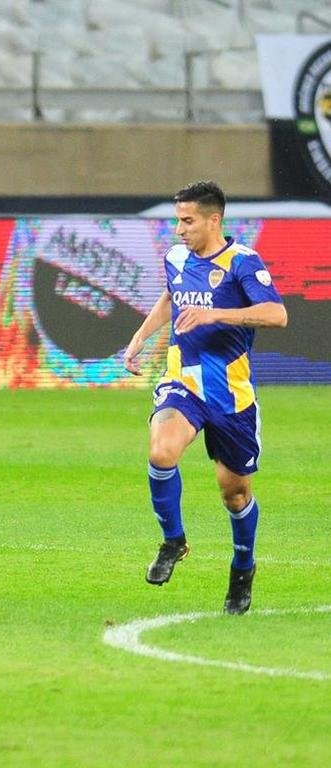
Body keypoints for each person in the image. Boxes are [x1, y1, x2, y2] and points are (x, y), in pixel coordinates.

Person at [124, 181, 287, 614]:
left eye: (187, 220)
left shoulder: (243, 262)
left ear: (214, 220)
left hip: (230, 393)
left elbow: (277, 313)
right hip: (184, 382)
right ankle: (174, 541)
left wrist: (217, 312)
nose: (179, 230)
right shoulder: (176, 258)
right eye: (177, 220)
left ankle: (242, 567)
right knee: (161, 452)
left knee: (234, 493)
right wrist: (141, 336)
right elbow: (172, 296)